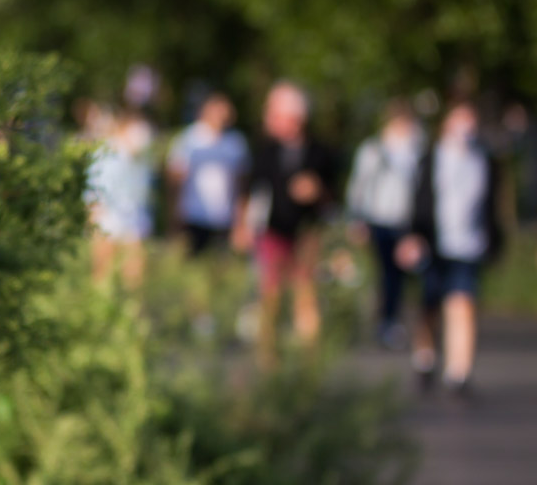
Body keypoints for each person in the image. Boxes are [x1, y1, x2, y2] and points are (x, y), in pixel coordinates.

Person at [400, 99, 501, 395]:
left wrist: (494, 242)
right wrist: (412, 236)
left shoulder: (485, 161)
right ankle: (425, 356)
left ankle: (459, 372)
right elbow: (417, 201)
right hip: (433, 244)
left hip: (468, 246)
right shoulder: (431, 159)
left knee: (463, 305)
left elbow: (490, 208)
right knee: (430, 305)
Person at [235, 81, 338, 365]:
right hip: (271, 231)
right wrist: (241, 226)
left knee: (306, 293)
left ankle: (309, 361)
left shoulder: (320, 152)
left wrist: (316, 191)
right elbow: (248, 191)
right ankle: (268, 359)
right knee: (270, 295)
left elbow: (333, 197)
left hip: (307, 233)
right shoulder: (265, 150)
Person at [345, 99, 425, 349]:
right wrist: (356, 218)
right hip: (378, 218)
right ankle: (384, 320)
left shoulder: (417, 149)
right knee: (385, 272)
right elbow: (359, 186)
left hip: (406, 222)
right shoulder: (374, 149)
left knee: (401, 274)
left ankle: (393, 318)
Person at [168, 91, 250, 256]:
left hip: (224, 220)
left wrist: (241, 223)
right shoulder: (187, 140)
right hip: (193, 217)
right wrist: (174, 217)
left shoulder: (236, 143)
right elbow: (174, 182)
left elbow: (242, 186)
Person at [87, 106, 155, 288]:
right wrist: (93, 210)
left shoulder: (142, 157)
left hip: (134, 213)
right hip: (107, 213)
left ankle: (129, 308)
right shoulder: (107, 150)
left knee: (134, 270)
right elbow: (95, 182)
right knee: (103, 269)